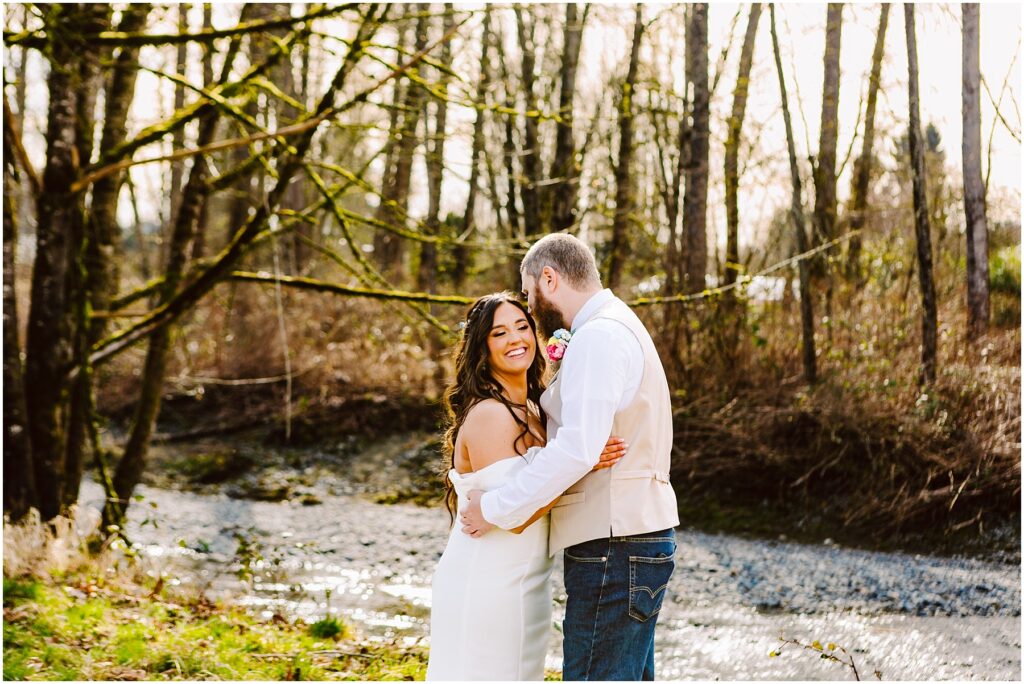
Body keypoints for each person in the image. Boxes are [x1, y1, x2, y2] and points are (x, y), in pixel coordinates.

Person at [459, 234, 680, 681]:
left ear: (549, 278)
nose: (529, 306)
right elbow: (586, 446)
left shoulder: (598, 336)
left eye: (528, 293)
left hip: (613, 541)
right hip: (630, 536)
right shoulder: (617, 324)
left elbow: (578, 447)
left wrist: (494, 507)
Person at [426, 292, 628, 681]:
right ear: (482, 348)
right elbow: (515, 514)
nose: (516, 339)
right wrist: (582, 463)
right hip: (487, 583)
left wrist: (579, 457)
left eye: (522, 327)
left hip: (527, 581)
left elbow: (536, 489)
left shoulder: (535, 410)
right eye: (499, 333)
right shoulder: (490, 415)